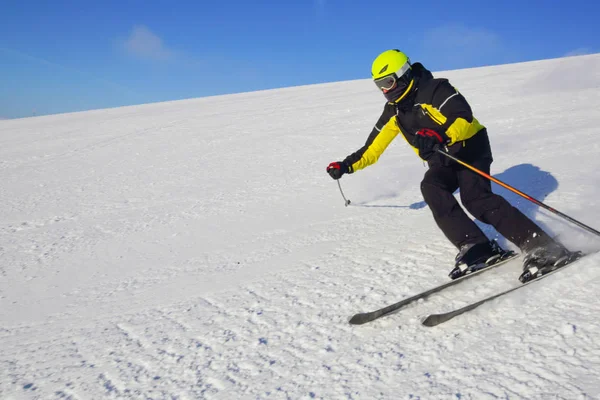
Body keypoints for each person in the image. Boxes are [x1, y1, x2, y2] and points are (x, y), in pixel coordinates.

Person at [326, 49, 577, 282]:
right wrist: (345, 165)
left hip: (470, 147)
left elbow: (463, 117)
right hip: (441, 158)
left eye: (388, 82)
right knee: (431, 186)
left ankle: (541, 246)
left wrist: (441, 135)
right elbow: (372, 147)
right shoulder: (394, 110)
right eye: (379, 85)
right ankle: (476, 245)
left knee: (476, 199)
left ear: (403, 75)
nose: (384, 90)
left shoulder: (435, 89)